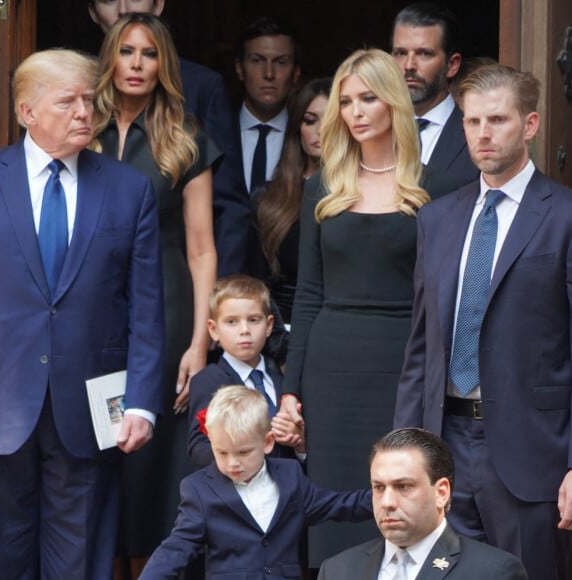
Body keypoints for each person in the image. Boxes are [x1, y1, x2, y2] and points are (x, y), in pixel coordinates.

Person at [394, 64, 572, 580]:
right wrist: (404, 453)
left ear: (531, 125)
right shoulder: (437, 218)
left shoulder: (563, 216)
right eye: (472, 122)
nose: (483, 134)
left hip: (529, 453)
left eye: (497, 120)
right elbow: (420, 349)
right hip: (442, 443)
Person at [0, 48, 164, 579]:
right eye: (67, 102)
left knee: (81, 557)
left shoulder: (127, 188)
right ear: (27, 112)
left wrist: (142, 402)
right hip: (0, 402)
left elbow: (146, 306)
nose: (85, 113)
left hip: (92, 406)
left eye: (90, 101)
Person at [278, 48, 449, 567]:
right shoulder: (321, 188)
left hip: (403, 362)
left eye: (367, 98)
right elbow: (307, 296)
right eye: (346, 101)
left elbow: (443, 297)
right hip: (331, 371)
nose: (355, 111)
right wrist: (291, 392)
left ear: (393, 103)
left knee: (402, 494)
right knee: (333, 510)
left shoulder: (435, 187)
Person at [91, 12, 219, 572]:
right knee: (92, 445)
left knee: (150, 458)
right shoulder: (81, 127)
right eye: (125, 52)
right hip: (90, 310)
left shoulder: (184, 137)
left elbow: (202, 249)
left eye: (147, 54)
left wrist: (198, 341)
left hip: (164, 312)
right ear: (109, 60)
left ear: (163, 64)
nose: (136, 64)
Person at [140, 385, 373, 579]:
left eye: (243, 452)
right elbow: (177, 548)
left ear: (268, 442)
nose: (232, 463)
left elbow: (341, 505)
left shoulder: (291, 477)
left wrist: (387, 496)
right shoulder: (199, 489)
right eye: (222, 453)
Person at [88, 0, 250, 277]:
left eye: (149, 54)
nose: (125, 8)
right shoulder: (82, 119)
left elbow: (224, 212)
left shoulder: (199, 96)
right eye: (126, 52)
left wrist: (221, 306)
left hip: (169, 281)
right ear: (91, 12)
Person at [318, 428, 528, 579]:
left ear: (442, 492)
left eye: (403, 486)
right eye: (379, 488)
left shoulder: (494, 572)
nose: (387, 502)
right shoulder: (337, 570)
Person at [187, 274, 304, 469]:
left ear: (269, 326)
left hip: (288, 492)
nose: (244, 330)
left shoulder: (283, 378)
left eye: (254, 320)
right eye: (232, 322)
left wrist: (298, 443)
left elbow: (299, 455)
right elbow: (199, 449)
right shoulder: (208, 381)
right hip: (235, 494)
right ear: (213, 329)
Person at [247, 78, 332, 327]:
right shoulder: (267, 197)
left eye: (330, 120)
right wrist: (278, 348)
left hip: (337, 333)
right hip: (279, 332)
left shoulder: (362, 194)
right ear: (297, 127)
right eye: (310, 120)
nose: (320, 130)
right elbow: (253, 284)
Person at [391, 2, 479, 189]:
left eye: (424, 54)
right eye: (400, 53)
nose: (408, 65)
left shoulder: (478, 136)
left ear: (452, 64)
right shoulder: (372, 131)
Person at [234, 16, 301, 195]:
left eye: (281, 62)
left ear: (296, 73)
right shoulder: (216, 131)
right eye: (257, 60)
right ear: (240, 69)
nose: (269, 73)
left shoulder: (306, 135)